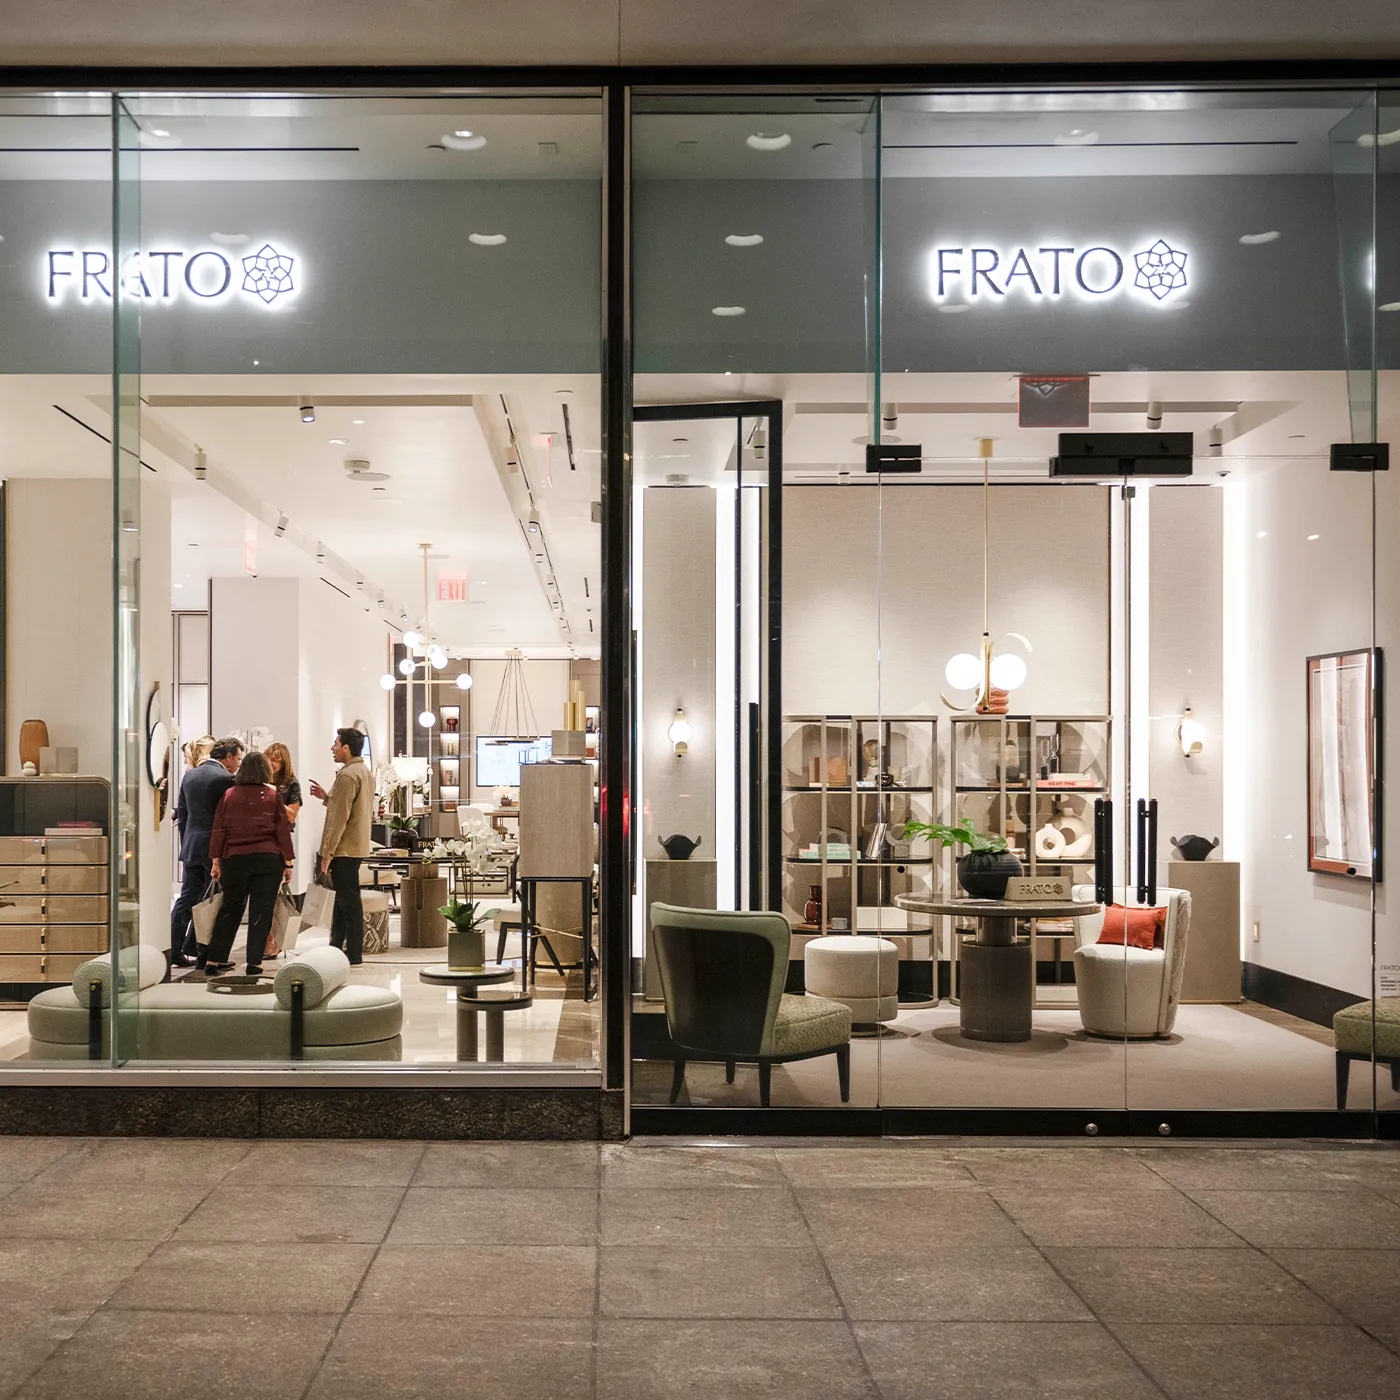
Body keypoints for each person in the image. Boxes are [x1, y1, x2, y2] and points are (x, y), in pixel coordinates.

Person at [204, 750, 294, 977]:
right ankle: (254, 963)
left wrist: (216, 861)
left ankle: (213, 960)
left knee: (230, 908)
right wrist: (288, 862)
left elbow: (219, 830)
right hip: (268, 859)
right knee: (261, 910)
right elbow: (281, 831)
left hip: (234, 859)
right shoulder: (273, 797)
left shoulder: (229, 795)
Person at [169, 736, 243, 970]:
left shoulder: (189, 776)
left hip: (191, 845)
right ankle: (205, 954)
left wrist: (186, 845)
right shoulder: (226, 779)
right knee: (213, 902)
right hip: (215, 850)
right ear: (228, 757)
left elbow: (183, 815)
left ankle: (174, 949)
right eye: (237, 758)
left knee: (186, 899)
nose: (238, 764)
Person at [309, 727, 373, 965]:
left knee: (348, 902)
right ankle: (337, 946)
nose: (332, 748)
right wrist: (327, 798)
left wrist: (327, 853)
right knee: (344, 901)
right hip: (355, 847)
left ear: (346, 747)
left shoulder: (347, 776)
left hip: (344, 849)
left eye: (336, 744)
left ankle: (353, 952)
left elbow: (339, 819)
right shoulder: (364, 772)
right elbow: (350, 809)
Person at [264, 743, 302, 829]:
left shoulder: (292, 783)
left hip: (280, 832)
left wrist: (273, 796)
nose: (269, 763)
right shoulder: (260, 779)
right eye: (267, 759)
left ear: (283, 763)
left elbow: (291, 816)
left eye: (274, 760)